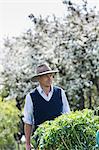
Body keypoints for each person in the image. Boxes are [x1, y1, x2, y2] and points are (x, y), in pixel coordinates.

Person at [23, 63, 70, 150]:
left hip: (60, 140)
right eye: (46, 76)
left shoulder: (60, 92)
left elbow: (67, 116)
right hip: (41, 141)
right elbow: (28, 122)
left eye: (50, 75)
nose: (49, 78)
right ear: (39, 79)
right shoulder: (31, 96)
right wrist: (28, 144)